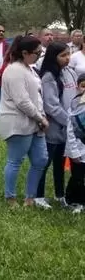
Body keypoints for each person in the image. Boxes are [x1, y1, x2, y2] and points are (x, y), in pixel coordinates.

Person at [0, 35, 48, 207]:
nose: (39, 55)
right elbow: (22, 101)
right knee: (15, 161)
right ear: (25, 53)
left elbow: (36, 96)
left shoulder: (29, 68)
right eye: (37, 53)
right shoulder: (14, 70)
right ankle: (10, 197)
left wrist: (41, 116)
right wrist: (39, 117)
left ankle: (30, 197)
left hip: (34, 122)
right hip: (17, 123)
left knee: (40, 160)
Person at [34, 42, 77, 209]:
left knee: (60, 163)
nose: (67, 58)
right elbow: (51, 105)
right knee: (45, 162)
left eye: (68, 54)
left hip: (67, 128)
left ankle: (60, 194)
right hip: (53, 128)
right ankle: (38, 196)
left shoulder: (69, 73)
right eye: (63, 55)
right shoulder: (49, 77)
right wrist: (69, 121)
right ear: (54, 57)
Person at [64, 74, 85, 213]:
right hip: (78, 147)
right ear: (77, 87)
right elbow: (71, 131)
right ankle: (73, 200)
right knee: (77, 176)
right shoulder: (74, 105)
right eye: (83, 86)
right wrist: (74, 151)